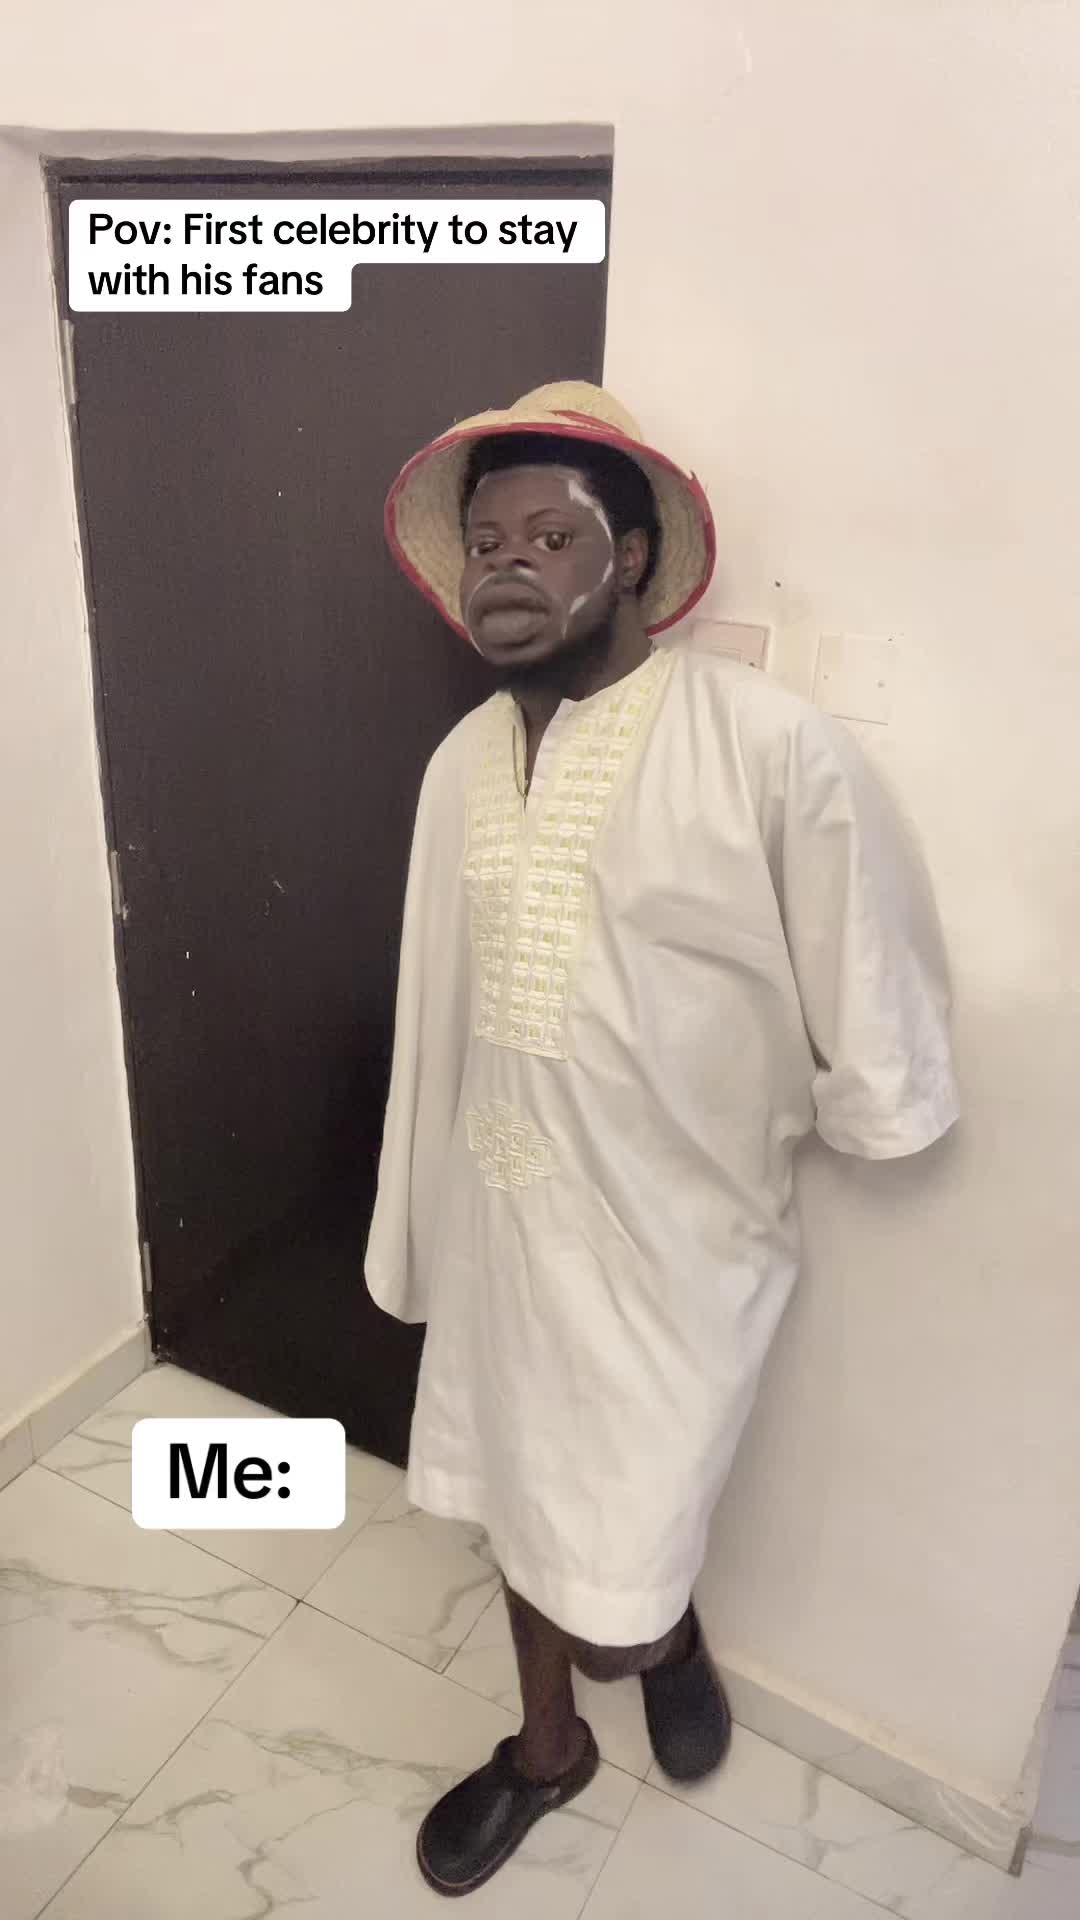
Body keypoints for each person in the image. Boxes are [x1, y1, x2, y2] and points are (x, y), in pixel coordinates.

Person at [365, 380, 960, 1897]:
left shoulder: (766, 749)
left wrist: (869, 1104)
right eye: (486, 541)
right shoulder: (457, 766)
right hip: (502, 1213)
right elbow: (437, 1007)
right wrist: (422, 1215)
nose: (508, 563)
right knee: (511, 1493)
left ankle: (662, 1638)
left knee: (618, 1578)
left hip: (678, 1247)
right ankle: (546, 1750)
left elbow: (871, 972)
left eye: (549, 534)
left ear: (629, 559)